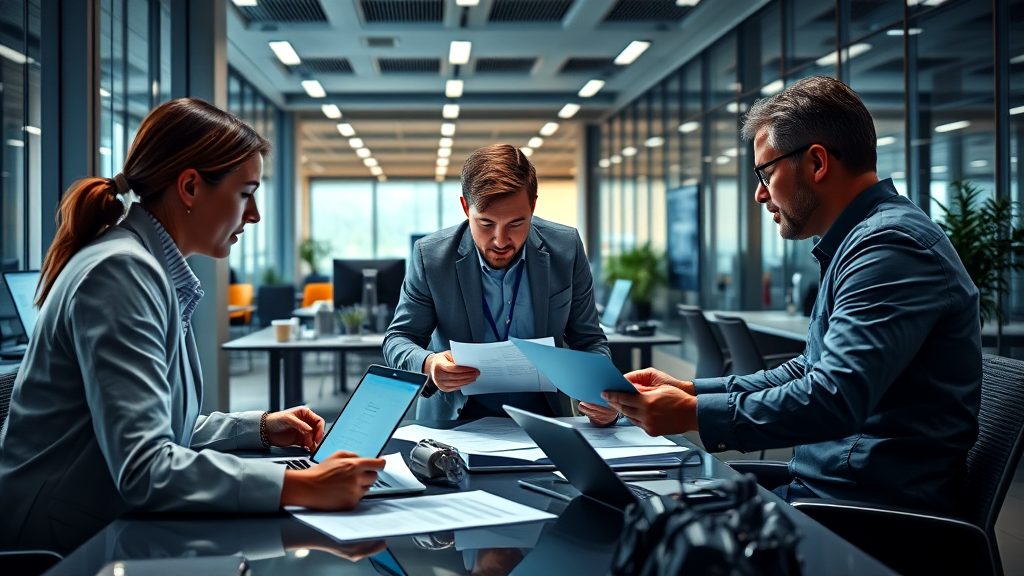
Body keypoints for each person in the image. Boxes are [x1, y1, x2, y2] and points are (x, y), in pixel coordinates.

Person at [0, 98, 385, 554]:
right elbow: (146, 467)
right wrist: (299, 485)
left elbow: (162, 428)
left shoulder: (147, 268)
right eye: (246, 193)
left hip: (98, 523)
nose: (254, 214)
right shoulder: (122, 272)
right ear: (190, 187)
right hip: (59, 546)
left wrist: (259, 427)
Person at [604, 76, 981, 513]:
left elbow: (832, 397)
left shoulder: (891, 246)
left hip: (868, 518)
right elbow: (810, 368)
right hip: (825, 493)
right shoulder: (860, 241)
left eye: (765, 172)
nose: (760, 194)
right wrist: (691, 390)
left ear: (817, 162)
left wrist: (691, 414)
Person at [384, 144, 618, 425]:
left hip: (545, 421)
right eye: (485, 223)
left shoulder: (565, 248)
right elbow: (398, 339)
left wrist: (603, 394)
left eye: (516, 223)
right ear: (465, 207)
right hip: (455, 424)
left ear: (532, 206)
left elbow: (589, 340)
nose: (500, 240)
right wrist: (429, 364)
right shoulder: (431, 256)